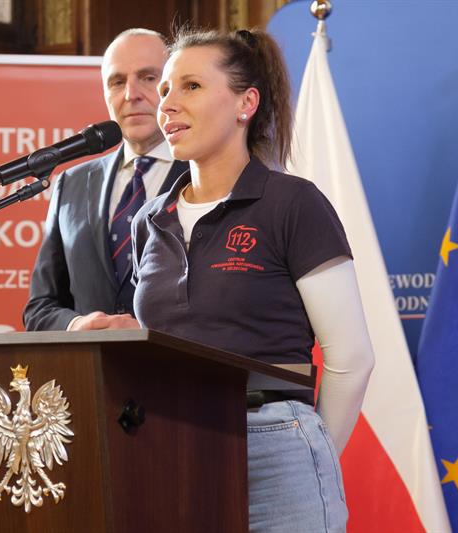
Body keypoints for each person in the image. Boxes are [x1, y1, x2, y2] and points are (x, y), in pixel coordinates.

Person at [131, 27, 375, 532]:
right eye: (165, 90)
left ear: (246, 103)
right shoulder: (147, 220)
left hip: (276, 451)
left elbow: (352, 359)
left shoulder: (294, 204)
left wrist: (308, 451)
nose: (167, 104)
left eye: (191, 86)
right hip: (169, 453)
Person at [23, 28, 188, 331]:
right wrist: (78, 325)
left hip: (177, 360)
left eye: (148, 78)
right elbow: (40, 309)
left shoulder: (204, 173)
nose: (131, 94)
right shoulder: (71, 184)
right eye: (117, 82)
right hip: (88, 360)